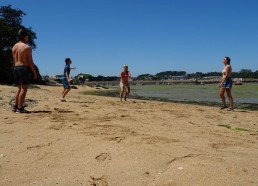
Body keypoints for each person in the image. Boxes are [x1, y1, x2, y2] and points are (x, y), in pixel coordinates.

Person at [12, 29, 37, 113]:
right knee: (24, 89)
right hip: (23, 68)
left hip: (15, 68)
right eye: (27, 36)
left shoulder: (14, 46)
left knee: (19, 88)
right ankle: (20, 108)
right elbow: (30, 62)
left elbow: (14, 59)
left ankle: (15, 106)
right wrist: (34, 72)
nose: (28, 38)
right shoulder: (27, 47)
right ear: (25, 36)